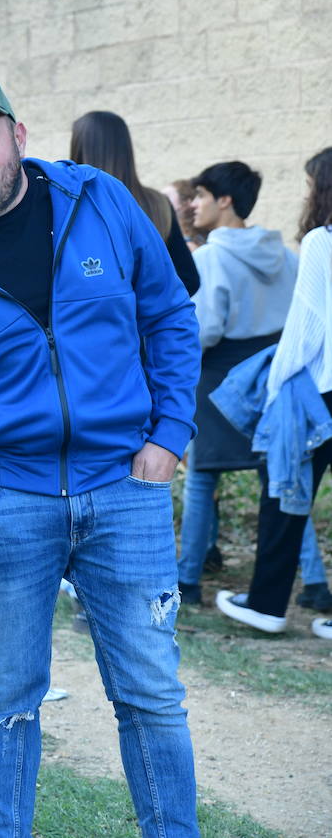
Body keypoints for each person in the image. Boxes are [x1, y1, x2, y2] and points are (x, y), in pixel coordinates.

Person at [0, 71, 200, 837]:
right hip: (5, 503)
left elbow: (169, 318)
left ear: (18, 136)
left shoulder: (99, 203)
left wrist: (167, 437)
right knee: (7, 703)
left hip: (124, 487)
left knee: (151, 695)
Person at [216, 147, 332, 637]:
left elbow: (306, 328)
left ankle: (266, 603)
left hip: (322, 391)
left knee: (283, 490)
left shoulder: (322, 243)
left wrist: (274, 381)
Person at [174, 161, 297, 605]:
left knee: (203, 479)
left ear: (225, 201)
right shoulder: (287, 255)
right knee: (283, 480)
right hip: (274, 381)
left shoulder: (208, 258)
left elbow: (202, 333)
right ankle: (316, 584)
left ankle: (187, 582)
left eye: (201, 196)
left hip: (220, 385)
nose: (192, 204)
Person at [69, 111, 200, 295]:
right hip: (145, 321)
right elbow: (188, 279)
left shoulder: (67, 204)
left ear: (79, 147)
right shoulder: (158, 204)